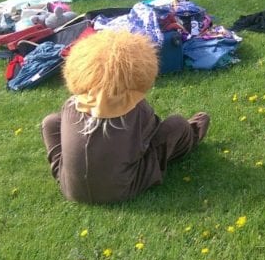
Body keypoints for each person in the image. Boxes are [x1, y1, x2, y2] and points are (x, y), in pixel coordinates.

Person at [41, 29, 210, 204]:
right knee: (177, 124)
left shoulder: (71, 105)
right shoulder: (138, 108)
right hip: (123, 189)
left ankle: (71, 173)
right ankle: (194, 133)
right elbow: (152, 138)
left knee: (50, 121)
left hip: (71, 189)